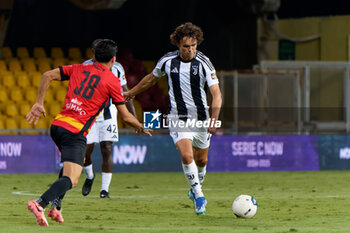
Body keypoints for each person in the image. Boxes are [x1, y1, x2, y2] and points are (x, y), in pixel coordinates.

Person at [26, 39, 151, 226]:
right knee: (72, 179)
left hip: (58, 126)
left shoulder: (77, 68)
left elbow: (47, 75)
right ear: (113, 59)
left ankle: (56, 207)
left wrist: (38, 103)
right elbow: (125, 116)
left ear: (93, 56)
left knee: (71, 167)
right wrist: (139, 125)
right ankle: (39, 203)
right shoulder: (112, 81)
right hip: (74, 132)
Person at [124, 22, 222, 215]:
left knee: (202, 160)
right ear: (178, 44)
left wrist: (214, 117)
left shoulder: (204, 62)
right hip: (178, 116)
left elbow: (216, 93)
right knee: (187, 156)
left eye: (194, 45)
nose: (190, 50)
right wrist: (131, 92)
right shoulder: (167, 61)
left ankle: (195, 190)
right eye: (186, 46)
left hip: (201, 118)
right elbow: (151, 79)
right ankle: (199, 195)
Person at [82, 39, 137, 198]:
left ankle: (104, 190)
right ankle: (90, 176)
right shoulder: (85, 66)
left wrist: (133, 117)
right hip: (90, 114)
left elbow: (126, 93)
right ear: (93, 52)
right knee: (86, 151)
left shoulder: (117, 68)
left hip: (109, 113)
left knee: (107, 148)